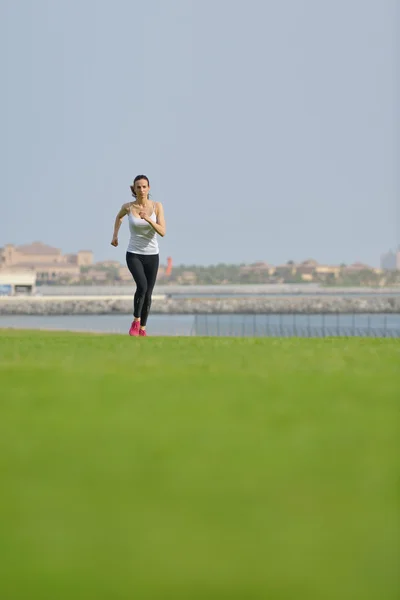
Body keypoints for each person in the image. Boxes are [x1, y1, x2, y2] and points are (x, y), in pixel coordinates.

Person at [111, 175, 166, 336]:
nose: (141, 190)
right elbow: (119, 217)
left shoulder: (157, 206)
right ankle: (136, 321)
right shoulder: (128, 207)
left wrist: (148, 219)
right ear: (134, 189)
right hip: (134, 254)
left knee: (148, 293)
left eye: (144, 186)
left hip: (152, 255)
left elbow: (162, 232)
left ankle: (143, 329)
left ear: (148, 188)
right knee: (142, 286)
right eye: (138, 187)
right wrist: (115, 235)